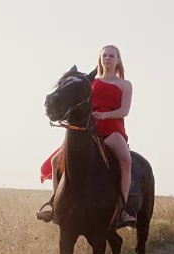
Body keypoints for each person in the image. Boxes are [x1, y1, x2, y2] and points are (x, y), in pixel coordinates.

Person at [36, 44, 136, 227]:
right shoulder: (91, 81)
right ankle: (56, 208)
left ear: (118, 60)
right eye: (105, 55)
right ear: (100, 58)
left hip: (112, 128)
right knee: (55, 161)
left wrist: (104, 115)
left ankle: (122, 209)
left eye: (112, 56)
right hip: (89, 127)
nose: (108, 58)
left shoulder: (125, 84)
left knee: (125, 160)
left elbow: (124, 110)